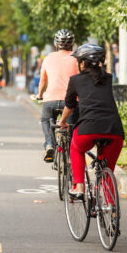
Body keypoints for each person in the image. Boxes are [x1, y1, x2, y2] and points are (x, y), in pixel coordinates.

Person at [58, 44, 125, 199]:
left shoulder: (75, 80)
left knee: (76, 148)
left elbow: (70, 105)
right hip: (114, 131)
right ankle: (111, 211)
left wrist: (63, 121)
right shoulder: (108, 78)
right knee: (108, 170)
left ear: (82, 63)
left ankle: (79, 187)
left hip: (88, 129)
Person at [36, 29, 79, 163]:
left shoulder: (48, 58)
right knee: (73, 125)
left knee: (45, 120)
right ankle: (73, 153)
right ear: (72, 44)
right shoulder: (77, 58)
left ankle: (49, 144)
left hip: (51, 100)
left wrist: (40, 94)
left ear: (56, 44)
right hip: (71, 101)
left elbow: (43, 80)